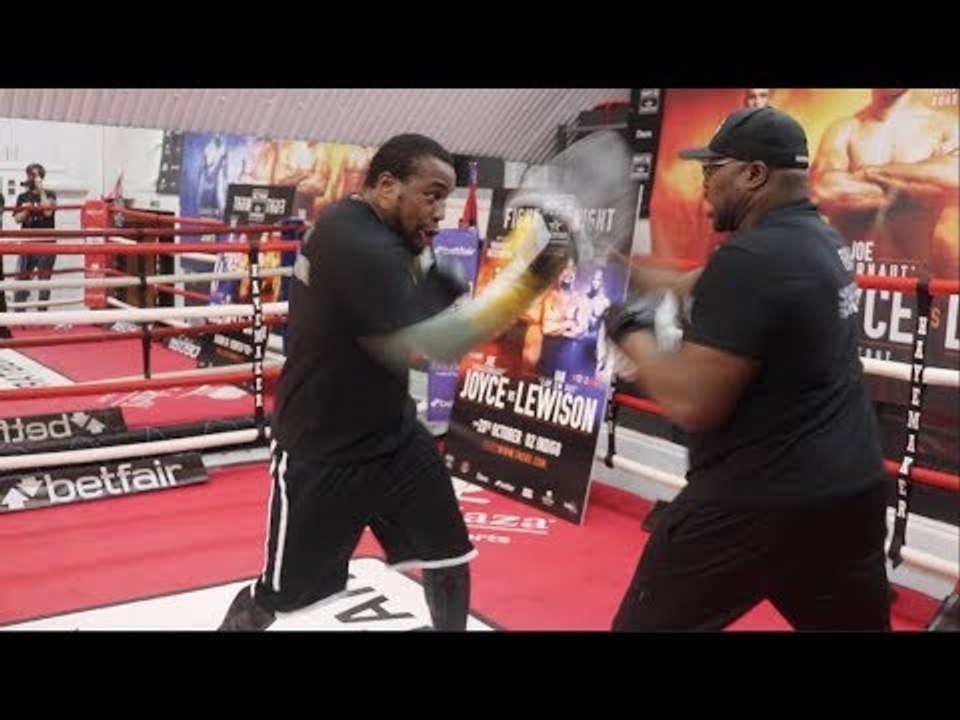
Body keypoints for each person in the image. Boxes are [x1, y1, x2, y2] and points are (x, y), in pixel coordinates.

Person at [218, 133, 575, 631]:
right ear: (387, 185)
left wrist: (499, 267)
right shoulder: (355, 242)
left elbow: (430, 298)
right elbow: (440, 343)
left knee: (449, 554)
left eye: (445, 198)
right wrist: (532, 278)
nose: (440, 211)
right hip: (323, 448)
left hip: (393, 434)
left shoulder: (389, 233)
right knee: (280, 595)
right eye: (431, 194)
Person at [603, 107, 891, 631]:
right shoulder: (819, 241)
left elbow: (694, 403)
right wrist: (602, 262)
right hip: (850, 492)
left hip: (756, 503)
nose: (704, 186)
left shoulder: (753, 260)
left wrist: (627, 330)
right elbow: (686, 287)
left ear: (754, 174)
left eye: (714, 171)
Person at [810, 89, 959, 278]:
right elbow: (822, 192)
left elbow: (952, 183)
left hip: (916, 287)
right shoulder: (844, 129)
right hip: (854, 284)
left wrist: (864, 172)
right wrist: (917, 191)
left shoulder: (946, 127)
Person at [13, 163, 57, 310]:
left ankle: (42, 317)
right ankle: (20, 317)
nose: (31, 178)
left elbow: (48, 212)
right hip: (27, 244)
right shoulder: (22, 196)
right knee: (21, 281)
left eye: (35, 175)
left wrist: (41, 190)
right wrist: (26, 211)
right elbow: (17, 219)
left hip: (46, 244)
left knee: (44, 283)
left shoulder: (50, 194)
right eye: (29, 175)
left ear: (41, 177)